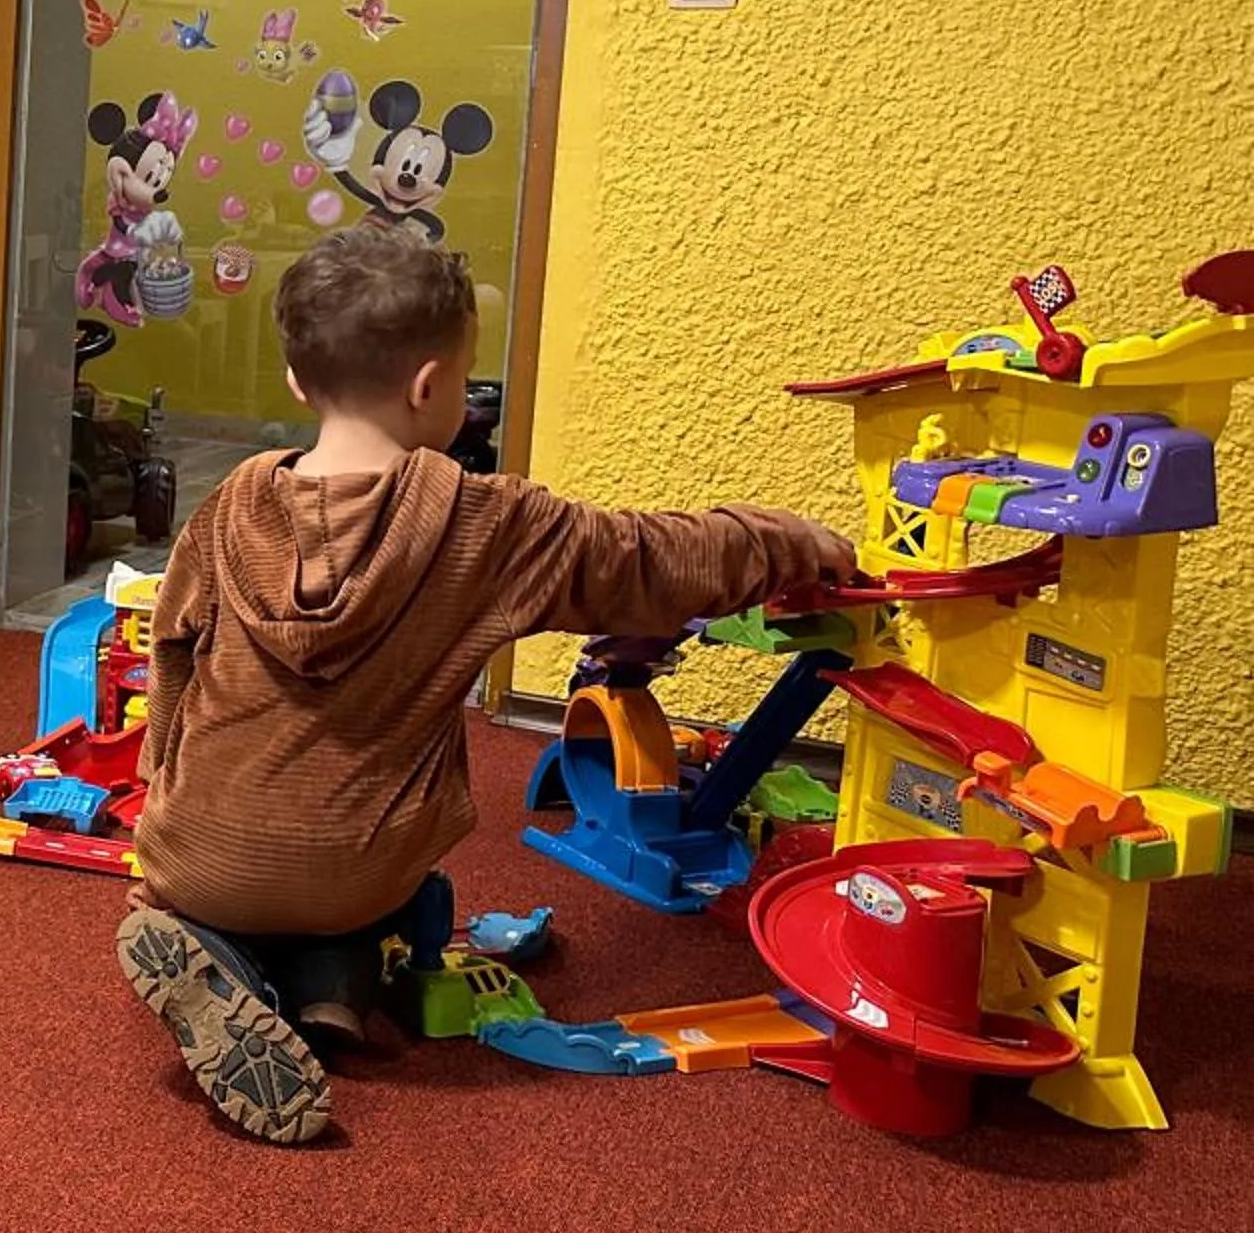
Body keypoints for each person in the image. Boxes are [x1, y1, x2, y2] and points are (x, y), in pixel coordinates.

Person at [114, 223, 855, 1145]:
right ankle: (334, 986)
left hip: (198, 857)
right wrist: (793, 543)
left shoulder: (227, 505)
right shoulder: (489, 524)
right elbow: (652, 558)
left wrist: (161, 779)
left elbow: (172, 648)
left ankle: (225, 949)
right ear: (432, 389)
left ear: (301, 382)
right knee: (386, 855)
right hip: (360, 868)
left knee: (240, 860)